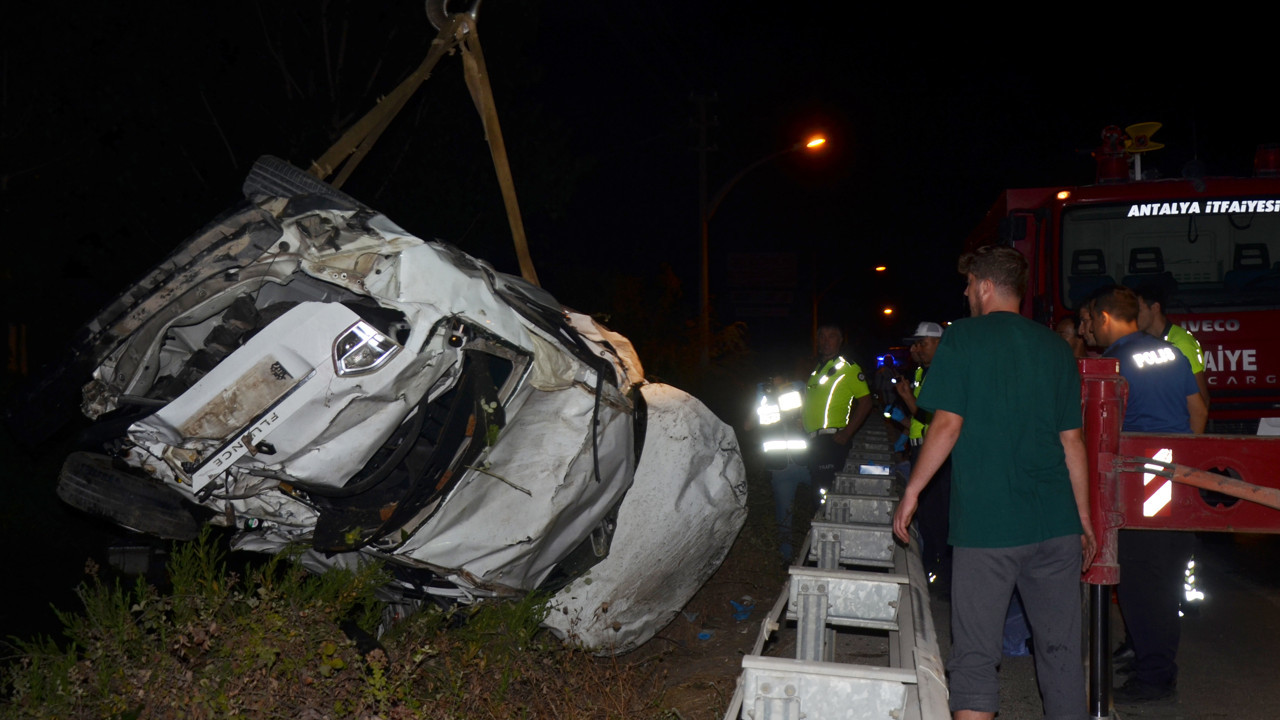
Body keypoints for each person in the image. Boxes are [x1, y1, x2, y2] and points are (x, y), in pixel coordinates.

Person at [892, 246, 1096, 720]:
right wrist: (1084, 519)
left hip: (988, 528)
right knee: (1061, 654)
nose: (965, 294)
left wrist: (913, 490)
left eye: (967, 285)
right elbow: (1073, 443)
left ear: (984, 285)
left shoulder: (962, 338)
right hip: (1056, 525)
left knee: (976, 658)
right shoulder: (1055, 348)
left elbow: (946, 424)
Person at [1089, 284, 1206, 703]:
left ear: (1105, 318)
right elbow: (1198, 411)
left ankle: (1154, 677)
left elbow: (1102, 433)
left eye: (1092, 322)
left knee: (1142, 585)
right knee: (1166, 579)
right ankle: (1151, 663)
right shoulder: (1170, 352)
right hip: (1176, 477)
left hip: (1140, 485)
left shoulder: (1112, 363)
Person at [895, 321, 951, 587]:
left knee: (938, 516)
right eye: (916, 344)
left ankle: (942, 577)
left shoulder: (945, 373)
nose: (917, 349)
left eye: (922, 343)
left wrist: (907, 399)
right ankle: (931, 570)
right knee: (927, 516)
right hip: (919, 448)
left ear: (940, 343)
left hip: (936, 455)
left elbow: (934, 415)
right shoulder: (922, 372)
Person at [802, 324, 873, 500]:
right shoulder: (817, 368)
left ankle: (827, 527)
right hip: (813, 441)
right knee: (818, 493)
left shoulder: (848, 368)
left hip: (831, 441)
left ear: (840, 341)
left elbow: (866, 402)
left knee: (826, 494)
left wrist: (847, 432)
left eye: (831, 336)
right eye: (822, 336)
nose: (826, 341)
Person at [1134, 283, 1211, 425]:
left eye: (1138, 310)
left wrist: (1190, 441)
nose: (1133, 316)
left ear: (1155, 308)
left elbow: (1202, 400)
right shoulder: (1140, 341)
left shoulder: (1181, 342)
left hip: (1177, 430)